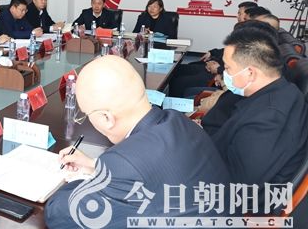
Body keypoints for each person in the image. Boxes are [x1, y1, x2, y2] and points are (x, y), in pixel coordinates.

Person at [45, 56, 229, 228]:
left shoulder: (125, 164)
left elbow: (58, 214)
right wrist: (96, 166)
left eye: (86, 115)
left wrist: (75, 179)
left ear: (106, 118)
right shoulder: (177, 120)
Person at [205, 25, 308, 209]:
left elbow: (236, 189)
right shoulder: (277, 91)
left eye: (228, 68)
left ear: (250, 72)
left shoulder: (269, 118)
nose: (225, 73)